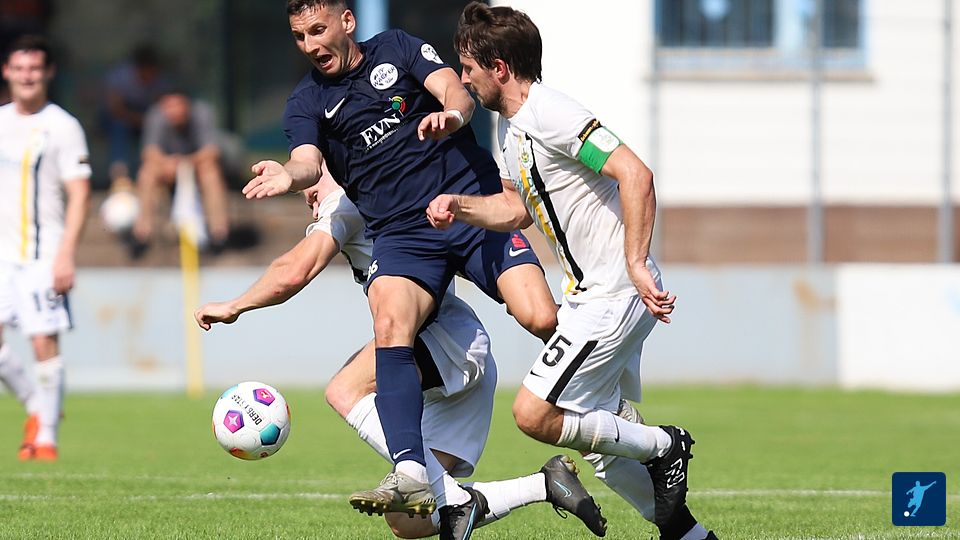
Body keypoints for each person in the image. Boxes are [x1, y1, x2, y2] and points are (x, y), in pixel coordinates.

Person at [244, 1, 558, 535]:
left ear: (347, 22)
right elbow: (307, 161)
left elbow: (455, 90)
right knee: (389, 321)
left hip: (469, 203)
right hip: (404, 235)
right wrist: (289, 176)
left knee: (541, 317)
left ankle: (606, 404)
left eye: (317, 30)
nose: (311, 45)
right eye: (299, 36)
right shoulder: (306, 101)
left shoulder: (395, 47)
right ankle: (410, 469)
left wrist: (452, 116)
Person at [426, 3, 718, 539]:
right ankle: (687, 533)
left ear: (499, 68)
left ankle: (664, 444)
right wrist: (459, 207)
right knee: (602, 448)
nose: (462, 79)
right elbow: (516, 209)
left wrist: (636, 263)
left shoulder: (550, 112)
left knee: (533, 413)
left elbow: (635, 173)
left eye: (467, 68)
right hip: (590, 294)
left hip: (614, 292)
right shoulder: (510, 128)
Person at [194, 172, 607, 539]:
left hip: (444, 341)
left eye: (312, 188)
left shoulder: (346, 200)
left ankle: (452, 496)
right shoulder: (377, 194)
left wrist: (235, 305)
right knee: (407, 523)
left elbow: (294, 270)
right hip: (461, 355)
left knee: (343, 390)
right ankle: (544, 484)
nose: (310, 200)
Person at [0, 34, 91, 461]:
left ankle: (46, 439)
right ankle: (38, 406)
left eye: (35, 68)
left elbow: (79, 193)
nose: (27, 76)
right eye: (19, 68)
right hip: (2, 253)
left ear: (48, 72)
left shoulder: (63, 126)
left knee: (42, 342)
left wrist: (66, 253)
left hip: (43, 251)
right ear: (7, 72)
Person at [129, 90, 231, 257]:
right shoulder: (155, 115)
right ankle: (142, 234)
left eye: (177, 106)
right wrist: (168, 163)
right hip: (167, 167)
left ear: (187, 106)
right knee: (147, 173)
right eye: (169, 107)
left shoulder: (202, 113)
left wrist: (186, 163)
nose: (173, 111)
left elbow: (212, 151)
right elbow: (149, 152)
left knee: (211, 173)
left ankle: (218, 233)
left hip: (196, 166)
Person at [101, 44, 171, 181]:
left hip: (146, 118)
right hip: (120, 118)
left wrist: (149, 121)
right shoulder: (121, 76)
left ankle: (160, 171)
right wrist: (139, 119)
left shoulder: (161, 80)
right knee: (119, 126)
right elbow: (115, 109)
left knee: (162, 126)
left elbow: (162, 109)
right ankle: (119, 172)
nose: (150, 75)